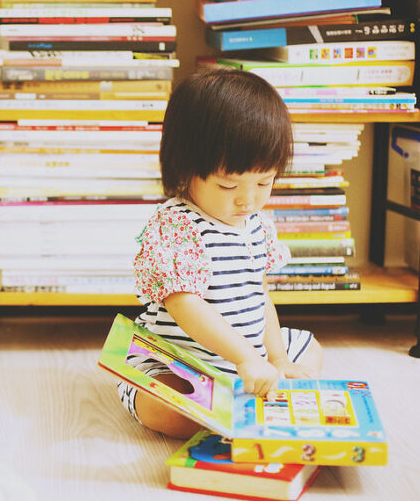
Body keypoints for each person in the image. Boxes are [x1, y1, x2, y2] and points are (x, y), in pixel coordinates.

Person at [118, 68, 324, 439]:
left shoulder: (257, 224)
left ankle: (248, 391)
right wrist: (245, 357)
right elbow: (185, 304)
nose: (248, 200)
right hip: (180, 359)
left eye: (264, 182)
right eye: (229, 185)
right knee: (167, 407)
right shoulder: (177, 225)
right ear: (184, 169)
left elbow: (260, 295)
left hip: (249, 359)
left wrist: (276, 358)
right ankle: (223, 403)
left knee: (310, 350)